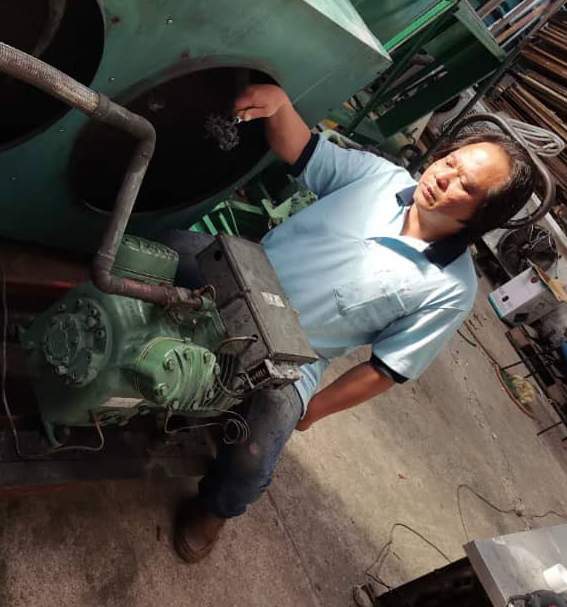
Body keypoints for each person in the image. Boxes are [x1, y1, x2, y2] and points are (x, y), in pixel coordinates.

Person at [174, 83, 538, 563]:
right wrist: (279, 102)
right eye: (450, 162)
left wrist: (313, 410)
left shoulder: (452, 290)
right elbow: (301, 149)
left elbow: (385, 370)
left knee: (252, 457)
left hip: (292, 358)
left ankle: (215, 509)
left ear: (482, 216)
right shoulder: (380, 177)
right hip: (239, 273)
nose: (443, 177)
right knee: (149, 251)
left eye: (465, 187)